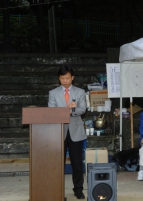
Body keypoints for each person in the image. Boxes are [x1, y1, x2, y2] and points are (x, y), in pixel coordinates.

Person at [48, 65, 86, 199]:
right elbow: (51, 111)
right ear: (59, 78)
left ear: (72, 78)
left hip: (76, 131)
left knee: (77, 163)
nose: (65, 80)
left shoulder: (80, 92)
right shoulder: (53, 93)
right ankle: (58, 190)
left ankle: (78, 189)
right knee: (59, 164)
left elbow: (82, 109)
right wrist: (67, 109)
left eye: (67, 78)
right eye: (62, 78)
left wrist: (69, 111)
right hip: (58, 132)